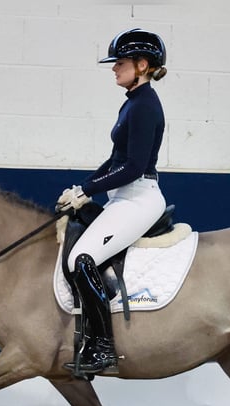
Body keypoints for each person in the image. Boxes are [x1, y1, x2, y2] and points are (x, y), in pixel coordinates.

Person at [57, 28, 169, 375]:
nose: (113, 68)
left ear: (142, 64)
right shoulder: (132, 103)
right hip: (123, 196)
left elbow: (134, 166)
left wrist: (88, 192)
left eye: (119, 62)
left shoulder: (146, 106)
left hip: (139, 198)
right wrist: (84, 187)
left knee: (81, 258)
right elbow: (114, 159)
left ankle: (101, 347)